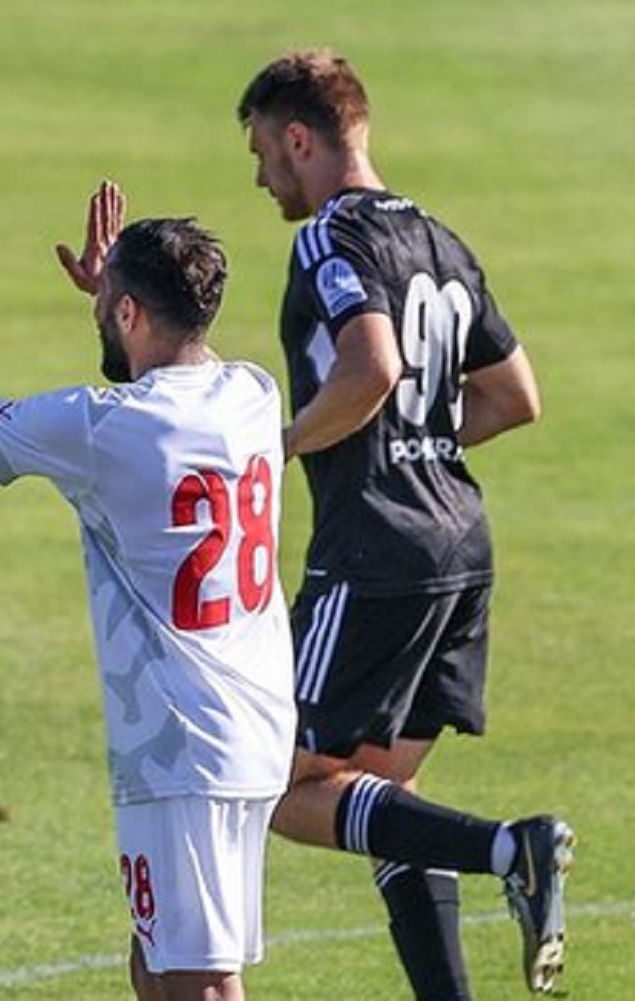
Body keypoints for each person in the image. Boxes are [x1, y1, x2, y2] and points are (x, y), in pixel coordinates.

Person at [0, 174, 296, 1001]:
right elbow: (159, 391)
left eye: (106, 301)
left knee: (199, 981)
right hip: (251, 724)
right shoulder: (253, 393)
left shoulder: (98, 425)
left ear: (131, 314)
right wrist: (117, 299)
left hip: (182, 744)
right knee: (157, 960)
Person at [236, 49, 574, 997]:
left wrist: (294, 443)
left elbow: (373, 367)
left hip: (375, 552)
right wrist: (421, 441)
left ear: (300, 138)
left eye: (265, 152)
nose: (262, 177)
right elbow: (515, 397)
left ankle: (514, 847)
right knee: (381, 793)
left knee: (273, 782)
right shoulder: (439, 236)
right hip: (461, 542)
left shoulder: (328, 241)